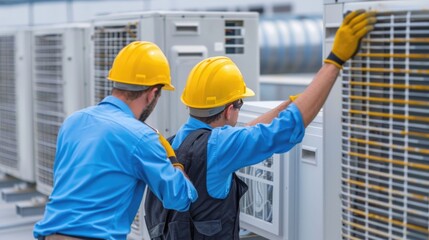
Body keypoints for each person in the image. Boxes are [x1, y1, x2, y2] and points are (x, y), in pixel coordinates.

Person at [144, 10, 377, 239]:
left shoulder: (176, 142)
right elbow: (284, 129)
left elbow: (245, 135)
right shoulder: (218, 146)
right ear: (229, 110)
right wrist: (334, 61)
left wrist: (282, 107)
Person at [33, 41, 198, 240]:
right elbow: (179, 198)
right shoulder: (141, 137)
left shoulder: (73, 121)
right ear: (153, 93)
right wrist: (173, 161)